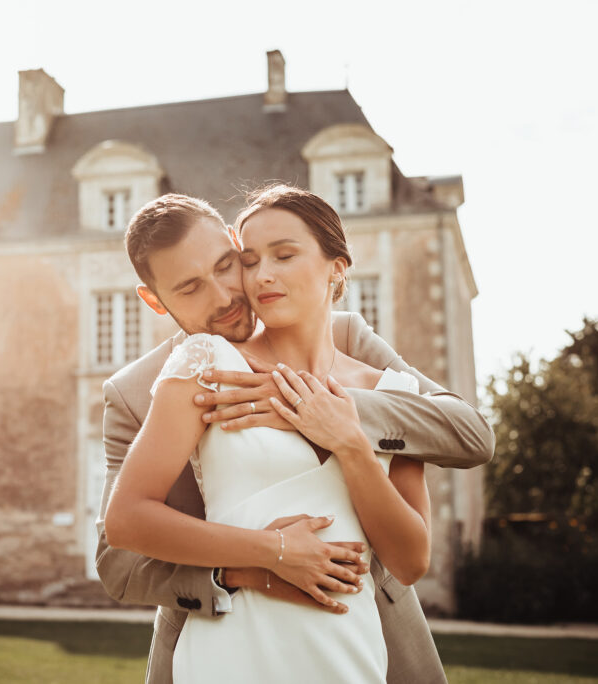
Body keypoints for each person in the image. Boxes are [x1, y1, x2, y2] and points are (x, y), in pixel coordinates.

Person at [95, 190, 494, 684]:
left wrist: (325, 413)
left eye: (228, 265)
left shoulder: (357, 348)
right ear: (155, 300)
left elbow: (467, 436)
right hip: (227, 630)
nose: (225, 296)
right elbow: (118, 559)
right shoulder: (171, 377)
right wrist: (261, 562)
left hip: (359, 633)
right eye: (190, 287)